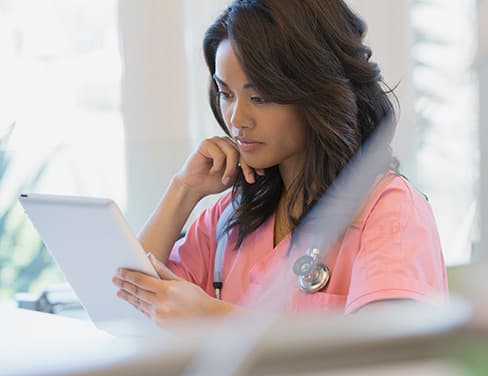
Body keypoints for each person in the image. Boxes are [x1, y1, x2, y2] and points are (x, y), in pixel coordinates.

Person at [112, 0, 448, 327]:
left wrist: (214, 318)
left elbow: (384, 355)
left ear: (317, 92)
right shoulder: (232, 214)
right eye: (226, 94)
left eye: (260, 97)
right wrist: (183, 190)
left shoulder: (390, 210)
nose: (237, 120)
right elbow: (126, 307)